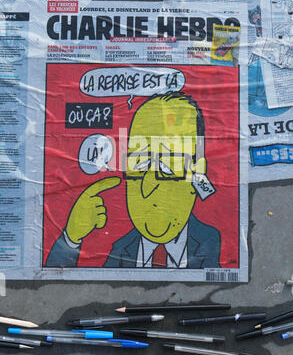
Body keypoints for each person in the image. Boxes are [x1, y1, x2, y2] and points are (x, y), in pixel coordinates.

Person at [46, 92, 221, 269]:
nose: (148, 186)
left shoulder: (214, 244)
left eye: (168, 166)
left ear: (198, 171)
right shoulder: (120, 250)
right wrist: (71, 238)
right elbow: (51, 285)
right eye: (139, 164)